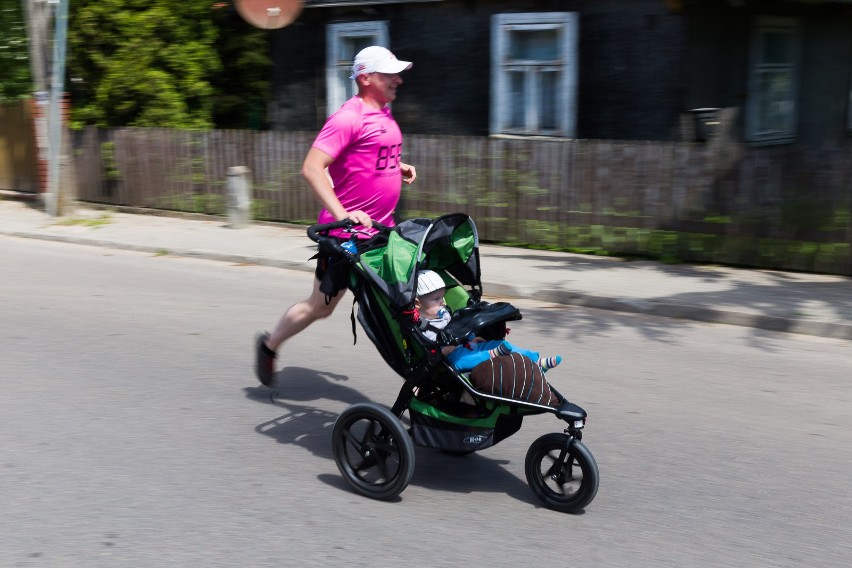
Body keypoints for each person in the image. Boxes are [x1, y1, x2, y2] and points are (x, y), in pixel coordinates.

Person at [255, 46, 417, 386]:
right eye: (390, 75)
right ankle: (269, 346)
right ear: (365, 77)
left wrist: (395, 166)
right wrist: (343, 215)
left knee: (403, 302)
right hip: (346, 238)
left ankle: (424, 376)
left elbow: (366, 154)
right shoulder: (348, 117)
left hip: (381, 231)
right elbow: (312, 168)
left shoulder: (383, 112)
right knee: (321, 307)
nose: (399, 80)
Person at [414, 270, 562, 373]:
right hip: (452, 357)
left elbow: (459, 328)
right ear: (418, 304)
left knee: (497, 344)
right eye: (436, 299)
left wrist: (472, 337)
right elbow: (429, 350)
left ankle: (535, 362)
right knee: (463, 360)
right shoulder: (422, 326)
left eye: (442, 297)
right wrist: (447, 350)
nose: (442, 302)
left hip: (467, 345)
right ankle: (493, 354)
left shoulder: (445, 314)